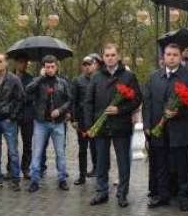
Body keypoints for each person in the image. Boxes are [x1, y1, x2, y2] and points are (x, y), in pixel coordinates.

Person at [142, 43, 188, 211]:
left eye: (175, 54)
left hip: (180, 128)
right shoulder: (154, 76)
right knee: (161, 164)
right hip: (158, 129)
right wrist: (147, 124)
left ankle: (183, 197)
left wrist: (179, 112)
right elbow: (147, 102)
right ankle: (162, 195)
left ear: (181, 56)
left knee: (182, 164)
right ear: (164, 57)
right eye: (168, 54)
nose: (172, 57)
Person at [84, 43, 142, 207]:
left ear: (118, 56)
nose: (110, 58)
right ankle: (101, 192)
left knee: (123, 162)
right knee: (101, 162)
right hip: (100, 126)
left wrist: (120, 109)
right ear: (103, 58)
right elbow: (88, 102)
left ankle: (122, 194)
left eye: (113, 55)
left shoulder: (128, 76)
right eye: (107, 55)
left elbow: (137, 99)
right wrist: (89, 125)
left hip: (121, 125)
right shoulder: (96, 76)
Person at [26, 55, 73, 192]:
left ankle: (62, 179)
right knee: (37, 152)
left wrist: (60, 110)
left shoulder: (63, 82)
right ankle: (34, 180)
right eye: (47, 67)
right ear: (43, 68)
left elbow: (70, 100)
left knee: (60, 152)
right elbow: (27, 90)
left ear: (56, 67)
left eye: (52, 67)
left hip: (58, 122)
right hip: (41, 122)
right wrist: (40, 77)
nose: (50, 69)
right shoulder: (38, 81)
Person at [0, 53, 25, 191]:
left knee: (13, 151)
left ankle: (15, 180)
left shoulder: (14, 79)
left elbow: (21, 99)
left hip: (8, 121)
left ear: (6, 63)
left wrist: (12, 116)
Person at [71, 55, 98, 185]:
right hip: (81, 120)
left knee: (96, 147)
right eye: (85, 64)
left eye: (89, 64)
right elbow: (73, 101)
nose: (87, 67)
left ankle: (97, 171)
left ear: (95, 65)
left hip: (95, 120)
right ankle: (82, 175)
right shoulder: (77, 81)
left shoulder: (99, 79)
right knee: (82, 149)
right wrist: (73, 119)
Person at [14, 57, 37, 179]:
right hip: (14, 114)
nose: (21, 64)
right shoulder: (10, 77)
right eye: (20, 61)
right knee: (12, 143)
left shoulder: (31, 78)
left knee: (27, 143)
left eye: (24, 62)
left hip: (27, 114)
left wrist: (22, 97)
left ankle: (26, 168)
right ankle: (11, 168)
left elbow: (32, 96)